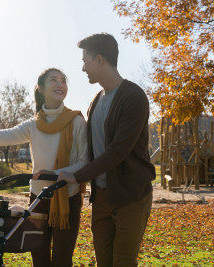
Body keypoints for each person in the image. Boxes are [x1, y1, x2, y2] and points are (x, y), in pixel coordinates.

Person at [57, 33, 156, 266]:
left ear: (99, 59)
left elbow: (118, 151)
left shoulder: (133, 97)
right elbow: (91, 151)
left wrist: (76, 176)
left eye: (85, 61)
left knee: (122, 261)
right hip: (101, 198)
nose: (83, 68)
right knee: (104, 261)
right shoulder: (96, 100)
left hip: (130, 197)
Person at [0, 68, 88, 267]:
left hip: (67, 199)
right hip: (37, 198)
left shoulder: (77, 121)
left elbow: (84, 163)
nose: (60, 84)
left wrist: (54, 175)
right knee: (38, 259)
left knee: (62, 260)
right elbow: (9, 135)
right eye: (53, 80)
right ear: (41, 88)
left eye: (63, 80)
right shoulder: (34, 124)